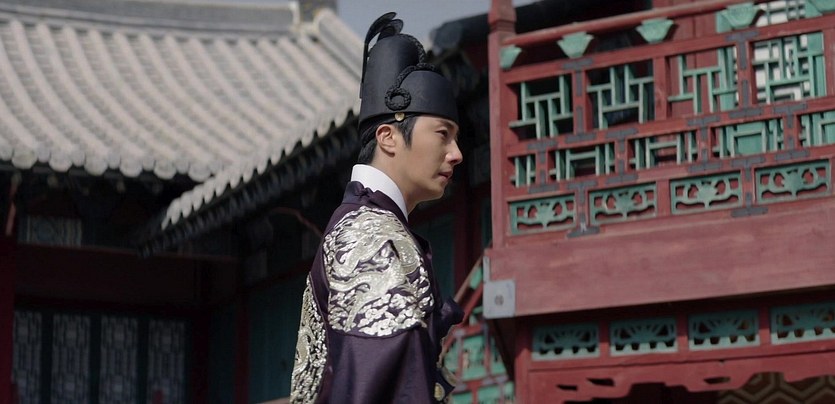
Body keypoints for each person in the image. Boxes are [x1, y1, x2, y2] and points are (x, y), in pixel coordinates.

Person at [289, 12, 465, 404]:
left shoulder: (366, 225)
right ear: (388, 137)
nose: (456, 153)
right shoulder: (371, 238)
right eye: (443, 134)